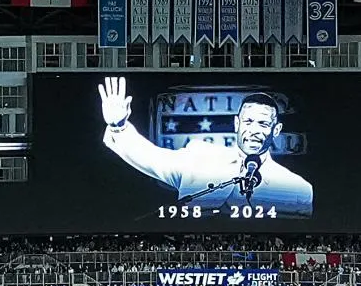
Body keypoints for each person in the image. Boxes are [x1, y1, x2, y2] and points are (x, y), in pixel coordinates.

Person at [98, 77, 314, 218]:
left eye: (263, 124)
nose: (254, 130)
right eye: (248, 122)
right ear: (237, 124)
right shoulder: (200, 158)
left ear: (276, 130)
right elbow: (151, 157)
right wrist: (118, 127)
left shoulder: (297, 189)